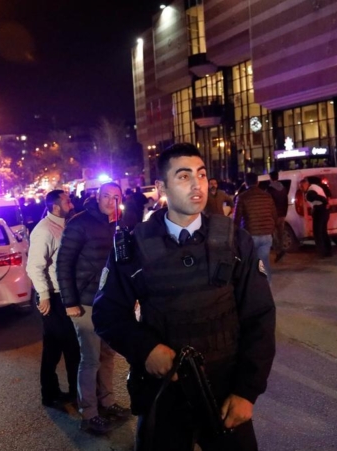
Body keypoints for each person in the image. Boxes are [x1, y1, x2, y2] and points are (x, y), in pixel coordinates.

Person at [92, 143, 276, 451]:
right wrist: (146, 349)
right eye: (184, 176)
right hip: (163, 393)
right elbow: (107, 314)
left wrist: (247, 392)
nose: (197, 185)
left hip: (224, 393)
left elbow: (259, 317)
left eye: (201, 175)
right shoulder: (135, 246)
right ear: (162, 187)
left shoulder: (234, 241)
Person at [56, 183, 131, 434]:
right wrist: (70, 303)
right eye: (106, 196)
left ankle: (107, 402)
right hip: (85, 302)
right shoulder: (79, 223)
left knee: (108, 356)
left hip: (110, 303)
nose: (111, 201)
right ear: (97, 197)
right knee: (90, 360)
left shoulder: (119, 224)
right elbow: (63, 264)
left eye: (116, 197)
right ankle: (89, 414)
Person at [25, 190, 81, 410]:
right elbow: (34, 266)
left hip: (65, 293)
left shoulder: (65, 224)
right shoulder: (44, 230)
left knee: (69, 347)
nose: (71, 202)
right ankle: (50, 394)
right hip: (54, 296)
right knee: (56, 348)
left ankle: (75, 392)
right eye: (67, 200)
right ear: (56, 206)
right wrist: (45, 295)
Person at [233, 172, 277, 279]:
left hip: (250, 234)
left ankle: (254, 289)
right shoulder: (267, 196)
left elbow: (237, 219)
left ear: (246, 183)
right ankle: (267, 287)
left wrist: (235, 234)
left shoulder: (242, 197)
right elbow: (274, 214)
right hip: (266, 234)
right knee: (264, 262)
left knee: (250, 263)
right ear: (257, 182)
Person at [300, 176, 332, 257]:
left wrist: (325, 202)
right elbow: (327, 192)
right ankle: (328, 251)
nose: (301, 188)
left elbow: (318, 198)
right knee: (323, 231)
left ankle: (322, 252)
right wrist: (327, 202)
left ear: (306, 184)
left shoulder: (310, 192)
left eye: (302, 186)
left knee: (317, 233)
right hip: (325, 211)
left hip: (319, 211)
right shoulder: (316, 186)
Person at [266, 171, 289, 263]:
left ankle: (279, 251)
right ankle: (282, 249)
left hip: (274, 215)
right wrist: (284, 212)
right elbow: (286, 201)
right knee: (280, 233)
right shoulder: (283, 188)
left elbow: (268, 202)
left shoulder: (270, 189)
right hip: (282, 214)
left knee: (274, 234)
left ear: (270, 178)